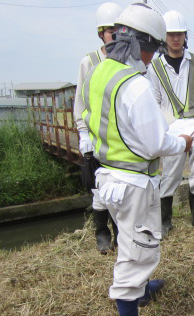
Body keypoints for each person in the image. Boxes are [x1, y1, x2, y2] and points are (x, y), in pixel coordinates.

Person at [81, 2, 193, 316]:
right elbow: (155, 143)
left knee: (131, 238)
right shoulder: (136, 84)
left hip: (109, 176)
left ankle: (141, 291)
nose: (152, 57)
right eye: (154, 48)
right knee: (137, 250)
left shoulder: (99, 71)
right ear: (145, 45)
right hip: (133, 181)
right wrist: (182, 142)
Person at [146, 10, 194, 237]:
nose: (175, 39)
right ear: (164, 37)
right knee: (170, 172)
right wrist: (161, 128)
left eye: (179, 34)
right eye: (170, 35)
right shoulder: (154, 68)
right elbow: (155, 102)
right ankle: (166, 220)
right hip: (172, 128)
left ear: (185, 35)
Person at [74, 2, 122, 254]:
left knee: (118, 187)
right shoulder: (89, 61)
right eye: (109, 30)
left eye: (119, 30)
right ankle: (101, 232)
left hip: (117, 137)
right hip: (95, 136)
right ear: (101, 33)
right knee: (98, 189)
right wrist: (83, 132)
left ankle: (118, 234)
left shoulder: (126, 61)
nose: (114, 35)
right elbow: (80, 100)